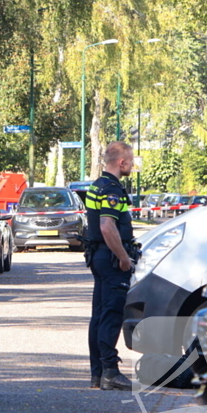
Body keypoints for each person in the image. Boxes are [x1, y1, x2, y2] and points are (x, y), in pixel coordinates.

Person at [85, 141, 137, 391]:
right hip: (111, 259)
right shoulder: (112, 189)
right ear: (122, 162)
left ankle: (98, 373)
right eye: (131, 160)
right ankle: (110, 372)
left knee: (99, 314)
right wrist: (124, 257)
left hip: (98, 257)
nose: (132, 164)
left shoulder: (97, 185)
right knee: (111, 314)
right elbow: (107, 226)